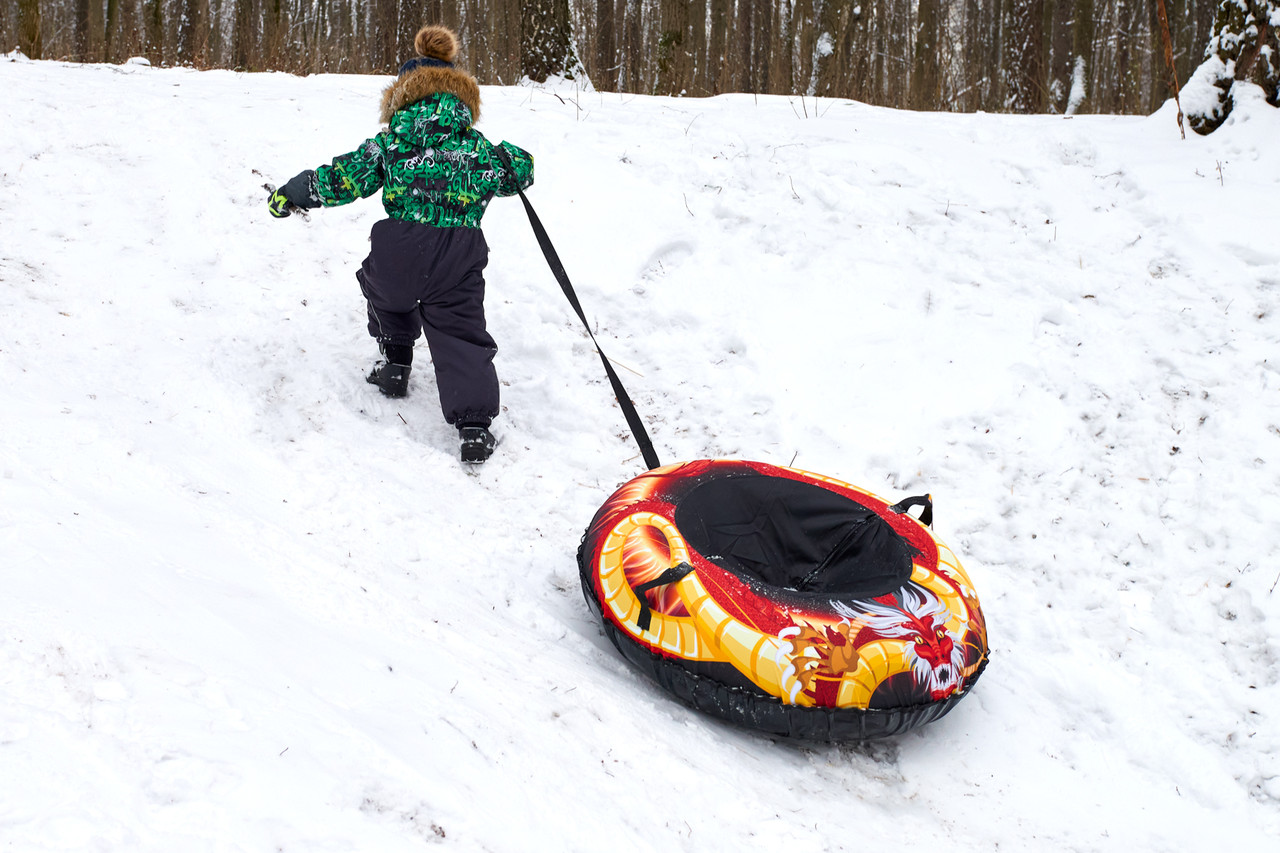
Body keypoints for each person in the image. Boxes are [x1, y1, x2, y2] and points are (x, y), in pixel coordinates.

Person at [268, 24, 534, 464]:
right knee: (461, 334)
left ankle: (395, 360)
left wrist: (296, 191)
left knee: (382, 287)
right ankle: (473, 427)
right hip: (458, 256)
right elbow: (520, 172)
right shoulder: (476, 147)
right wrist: (511, 158)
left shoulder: (390, 144)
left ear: (403, 95)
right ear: (460, 99)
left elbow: (343, 177)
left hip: (400, 251)